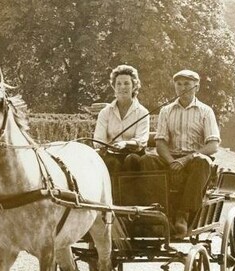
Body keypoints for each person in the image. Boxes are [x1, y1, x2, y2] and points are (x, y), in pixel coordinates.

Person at [140, 69, 220, 236]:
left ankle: (183, 215)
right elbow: (160, 141)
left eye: (187, 84)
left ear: (196, 87)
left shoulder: (205, 111)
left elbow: (212, 145)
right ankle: (161, 213)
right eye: (179, 84)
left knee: (203, 161)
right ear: (175, 87)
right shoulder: (166, 111)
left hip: (194, 159)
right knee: (147, 160)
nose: (183, 88)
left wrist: (185, 160)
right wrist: (171, 162)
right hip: (171, 158)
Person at [93, 64, 150, 173]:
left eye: (127, 83)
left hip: (134, 157)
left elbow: (141, 140)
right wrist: (103, 146)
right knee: (110, 163)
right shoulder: (105, 112)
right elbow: (99, 140)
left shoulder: (142, 112)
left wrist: (125, 144)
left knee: (131, 160)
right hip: (111, 156)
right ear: (114, 87)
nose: (122, 87)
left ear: (134, 86)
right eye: (118, 83)